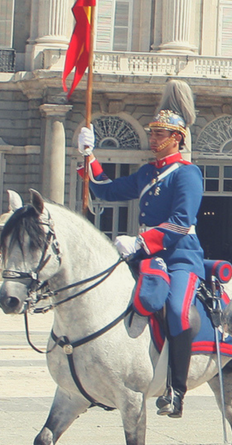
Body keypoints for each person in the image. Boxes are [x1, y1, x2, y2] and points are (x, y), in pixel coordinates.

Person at [78, 79, 204, 418]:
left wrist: (141, 241)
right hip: (146, 256)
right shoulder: (149, 172)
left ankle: (176, 391)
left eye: (159, 134)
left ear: (177, 138)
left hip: (179, 257)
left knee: (177, 311)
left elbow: (180, 222)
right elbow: (106, 190)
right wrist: (89, 158)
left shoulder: (187, 175)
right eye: (152, 133)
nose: (153, 139)